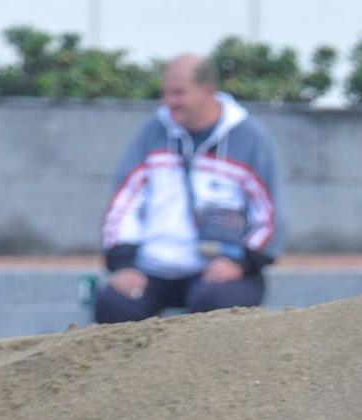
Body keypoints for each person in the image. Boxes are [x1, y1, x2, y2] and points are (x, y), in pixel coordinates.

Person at [96, 55, 281, 322]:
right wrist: (123, 264)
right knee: (114, 304)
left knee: (214, 304)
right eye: (166, 93)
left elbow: (270, 213)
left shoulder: (250, 137)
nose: (169, 102)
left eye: (179, 93)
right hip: (153, 270)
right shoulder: (152, 133)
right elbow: (124, 203)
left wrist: (240, 262)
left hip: (221, 269)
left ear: (208, 91)